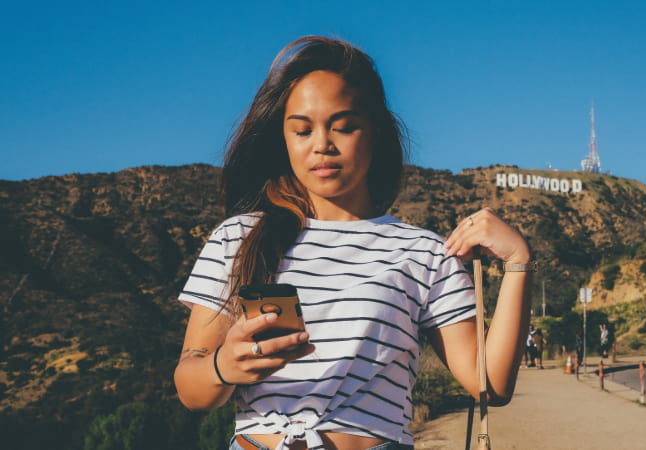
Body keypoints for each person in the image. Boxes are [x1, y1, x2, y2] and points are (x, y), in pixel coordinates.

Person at [173, 36, 533, 450]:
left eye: (342, 126)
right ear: (283, 140)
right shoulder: (239, 238)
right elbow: (191, 389)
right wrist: (224, 366)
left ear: (375, 132)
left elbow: (489, 384)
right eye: (302, 130)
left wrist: (518, 261)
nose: (322, 144)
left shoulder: (424, 253)